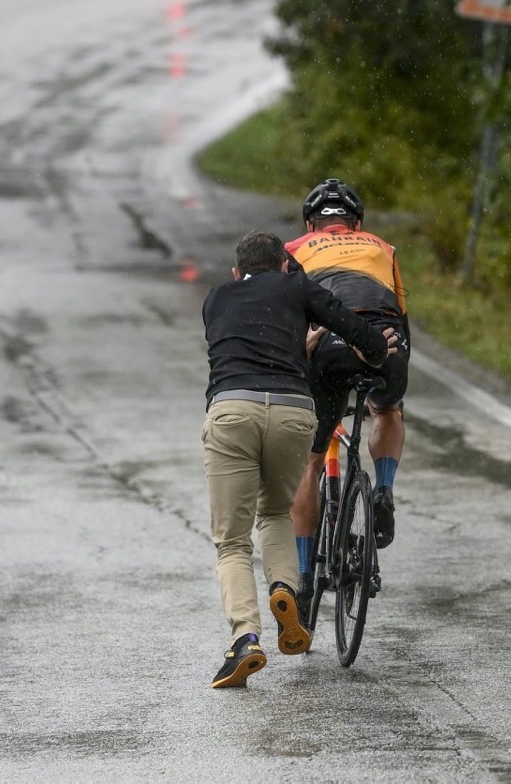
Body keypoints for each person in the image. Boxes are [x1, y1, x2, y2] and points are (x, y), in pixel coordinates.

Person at [202, 230, 395, 688]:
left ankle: (246, 639)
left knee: (232, 540)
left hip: (233, 408)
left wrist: (292, 345)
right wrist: (376, 350)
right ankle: (285, 589)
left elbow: (244, 343)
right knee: (275, 513)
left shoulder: (216, 299)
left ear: (236, 272)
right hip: (292, 410)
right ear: (286, 265)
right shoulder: (297, 287)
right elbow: (351, 325)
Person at [283, 178, 411, 614]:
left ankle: (303, 580)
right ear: (357, 223)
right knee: (388, 409)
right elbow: (400, 313)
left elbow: (290, 318)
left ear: (310, 222)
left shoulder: (294, 249)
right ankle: (384, 490)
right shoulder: (384, 247)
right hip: (385, 336)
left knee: (311, 460)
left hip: (332, 342)